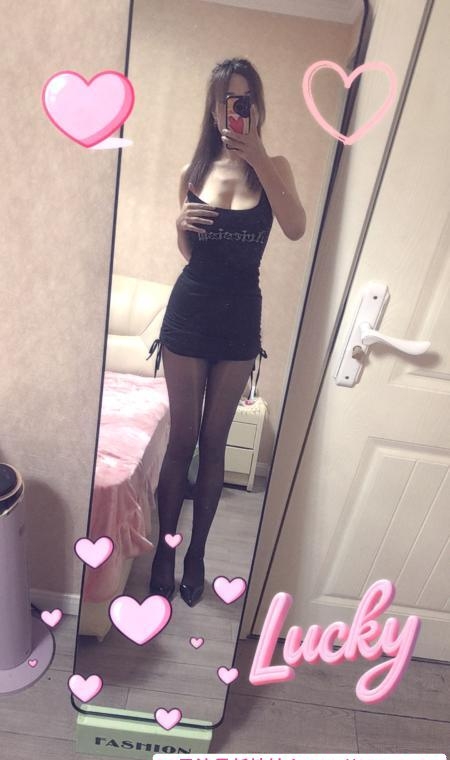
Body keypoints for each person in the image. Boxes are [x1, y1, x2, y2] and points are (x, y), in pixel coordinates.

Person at [147, 57, 306, 606]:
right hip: (190, 311)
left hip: (240, 319)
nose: (234, 108)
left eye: (244, 99)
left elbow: (295, 227)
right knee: (182, 440)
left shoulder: (275, 166)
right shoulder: (192, 173)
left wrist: (257, 154)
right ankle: (166, 550)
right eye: (225, 99)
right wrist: (178, 226)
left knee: (215, 443)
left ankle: (198, 553)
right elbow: (193, 255)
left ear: (256, 106)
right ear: (212, 107)